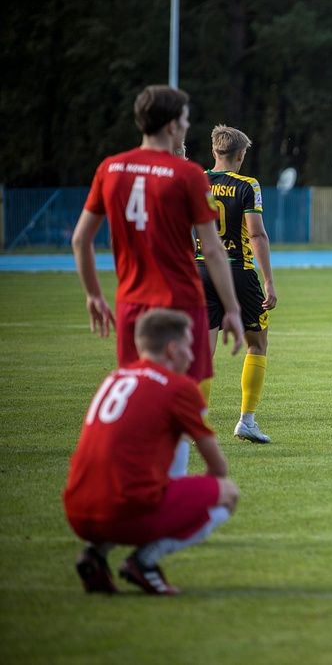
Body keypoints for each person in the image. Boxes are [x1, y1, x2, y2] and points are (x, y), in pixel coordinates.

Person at [72, 84, 244, 475]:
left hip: (132, 304)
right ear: (171, 126)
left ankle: (138, 479)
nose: (187, 126)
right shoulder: (187, 174)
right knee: (184, 399)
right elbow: (213, 249)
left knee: (141, 398)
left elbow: (81, 239)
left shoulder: (110, 168)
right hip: (181, 303)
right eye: (185, 120)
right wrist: (232, 309)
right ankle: (170, 487)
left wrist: (93, 295)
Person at [64, 309, 240, 595]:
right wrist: (192, 503)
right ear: (172, 349)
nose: (192, 356)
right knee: (227, 492)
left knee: (132, 484)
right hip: (124, 512)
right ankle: (144, 561)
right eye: (188, 347)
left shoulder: (114, 378)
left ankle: (94, 554)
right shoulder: (179, 387)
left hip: (76, 511)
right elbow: (218, 468)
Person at [197, 125, 277, 444]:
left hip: (201, 270)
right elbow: (256, 234)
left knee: (204, 352)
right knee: (256, 344)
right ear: (241, 155)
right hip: (238, 271)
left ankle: (197, 422)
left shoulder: (196, 181)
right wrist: (268, 281)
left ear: (214, 151)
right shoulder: (247, 185)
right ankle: (246, 421)